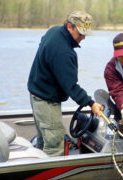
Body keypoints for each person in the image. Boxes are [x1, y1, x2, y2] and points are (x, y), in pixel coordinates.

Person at [27, 11, 103, 156]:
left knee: (43, 141)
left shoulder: (53, 31)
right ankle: (49, 177)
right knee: (55, 146)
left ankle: (39, 166)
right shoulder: (64, 52)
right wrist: (91, 103)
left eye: (85, 34)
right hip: (47, 101)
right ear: (69, 26)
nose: (83, 37)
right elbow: (71, 87)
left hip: (36, 94)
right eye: (80, 33)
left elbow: (44, 49)